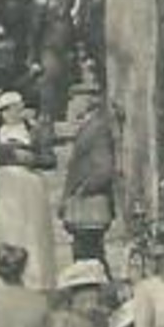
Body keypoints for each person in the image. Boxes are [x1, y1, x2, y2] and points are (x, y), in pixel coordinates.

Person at [0, 92, 59, 293]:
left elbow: (51, 160)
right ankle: (3, 277)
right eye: (9, 109)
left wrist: (32, 160)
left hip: (31, 188)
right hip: (4, 187)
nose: (14, 113)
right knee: (4, 229)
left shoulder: (34, 132)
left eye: (17, 108)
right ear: (2, 113)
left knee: (32, 232)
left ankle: (35, 279)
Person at [60, 97, 119, 269]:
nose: (70, 105)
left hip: (90, 206)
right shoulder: (90, 128)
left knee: (88, 255)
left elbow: (104, 169)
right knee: (90, 254)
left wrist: (82, 190)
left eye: (73, 101)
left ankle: (96, 290)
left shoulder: (97, 130)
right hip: (87, 206)